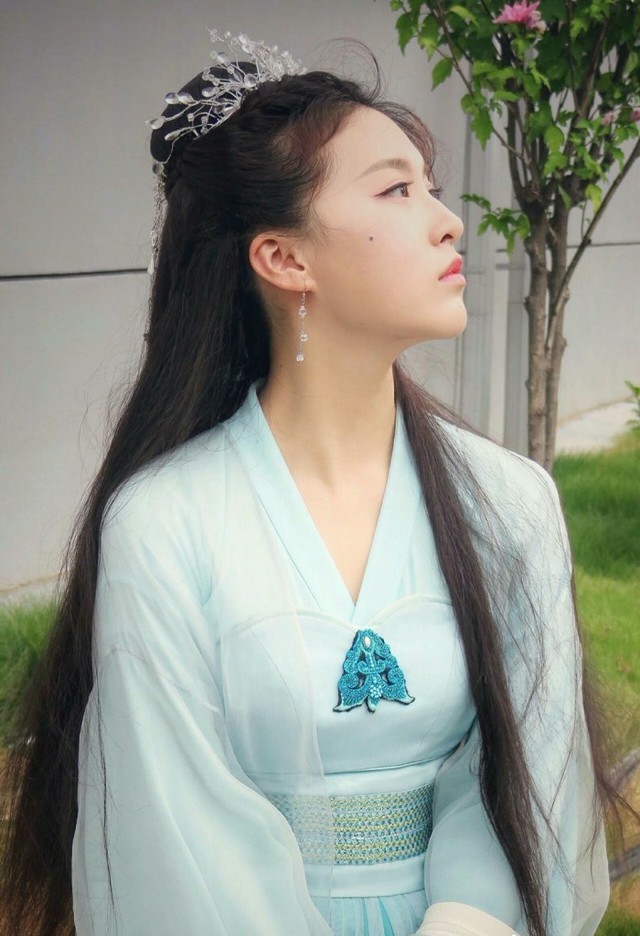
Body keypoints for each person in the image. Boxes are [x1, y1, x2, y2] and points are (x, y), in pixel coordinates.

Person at [0, 28, 634, 936]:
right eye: (396, 189)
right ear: (284, 259)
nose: (448, 220)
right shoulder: (166, 524)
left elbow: (524, 776)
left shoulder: (509, 505)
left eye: (431, 187)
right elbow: (176, 835)